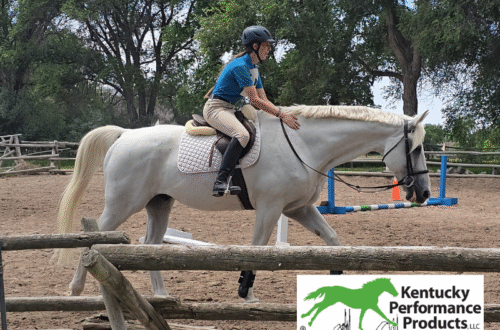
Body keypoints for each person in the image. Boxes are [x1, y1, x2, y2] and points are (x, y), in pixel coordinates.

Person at [204, 25, 300, 197]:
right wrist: (281, 115)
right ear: (255, 46)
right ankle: (221, 181)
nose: (269, 50)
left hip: (230, 109)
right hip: (216, 109)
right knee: (242, 135)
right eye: (266, 46)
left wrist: (280, 113)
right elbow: (255, 101)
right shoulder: (240, 66)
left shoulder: (253, 69)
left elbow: (264, 100)